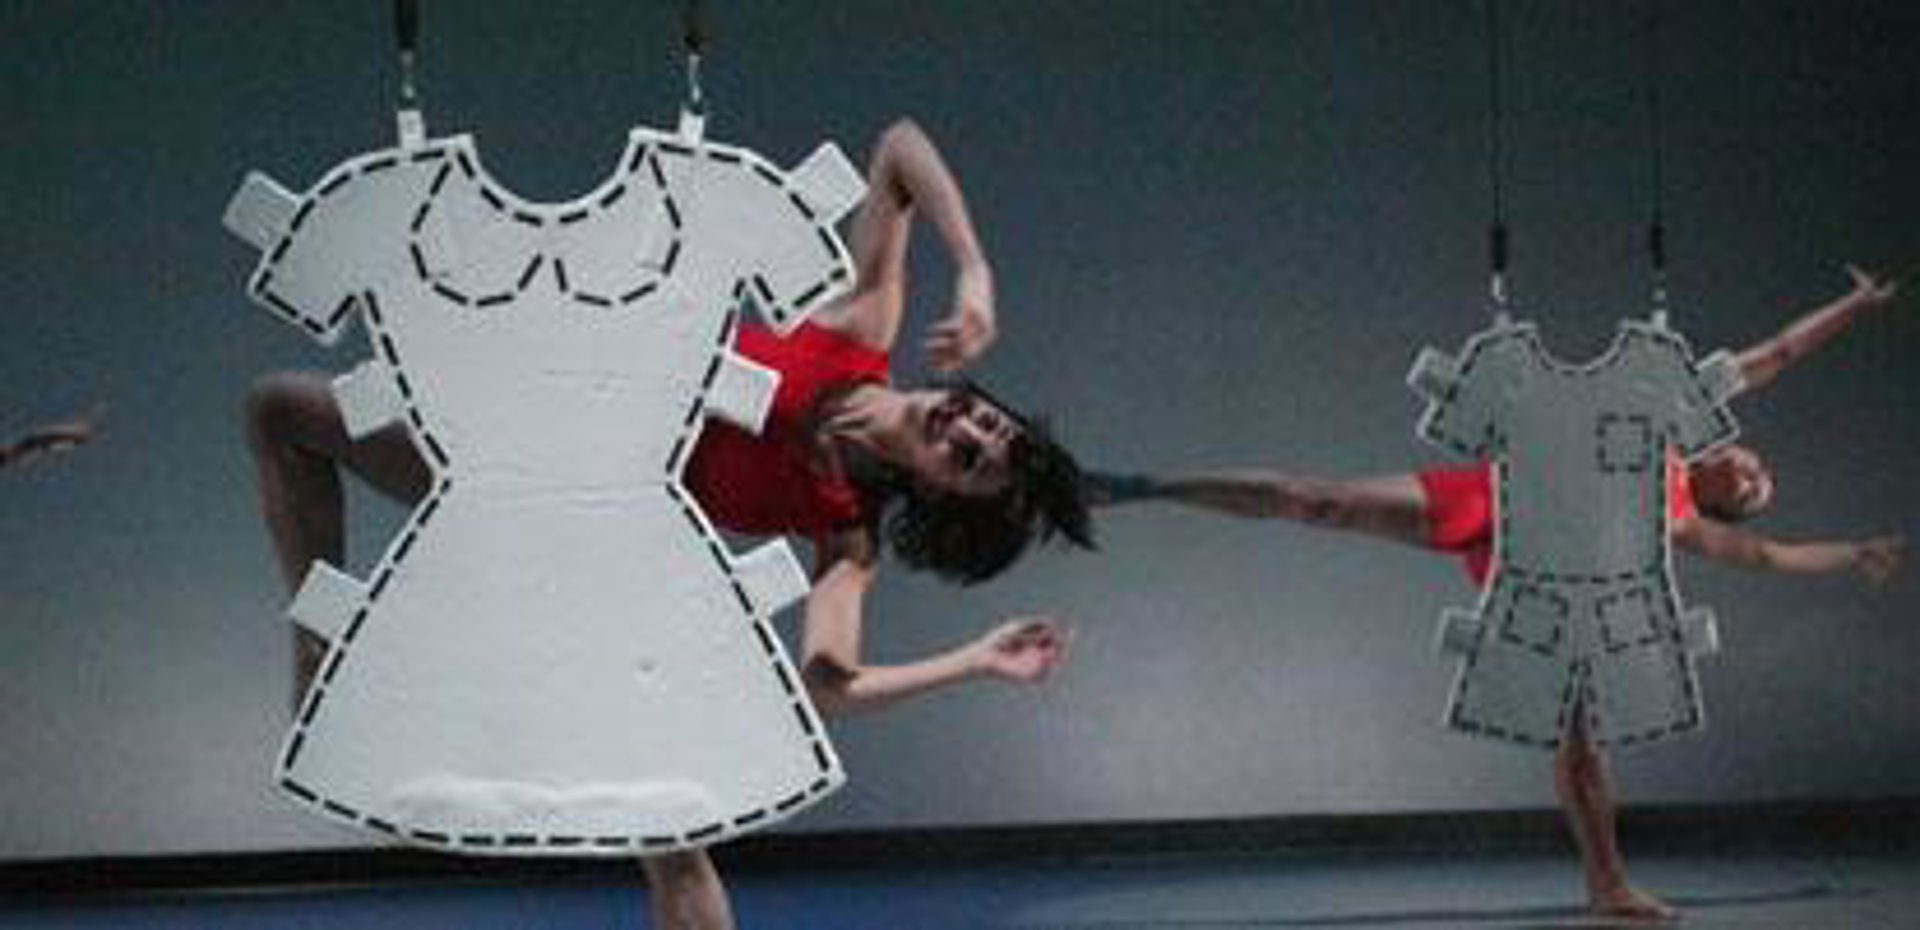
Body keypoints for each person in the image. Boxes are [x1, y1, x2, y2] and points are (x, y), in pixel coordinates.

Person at [243, 118, 1093, 930]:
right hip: (517, 443)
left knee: (671, 839)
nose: (966, 430)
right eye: (989, 422)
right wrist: (974, 269)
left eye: (970, 460)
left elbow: (828, 686)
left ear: (940, 493)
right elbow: (901, 147)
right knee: (279, 408)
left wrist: (972, 661)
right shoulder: (862, 324)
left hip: (592, 547)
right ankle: (318, 651)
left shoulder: (845, 533)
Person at [1091, 265, 1906, 923]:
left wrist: (1852, 554)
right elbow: (1776, 355)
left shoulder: (1683, 519)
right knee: (1318, 500)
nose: (1757, 479)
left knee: (1581, 735)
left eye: (1756, 494)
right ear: (1733, 450)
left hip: (1537, 576)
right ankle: (1139, 487)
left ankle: (1608, 886)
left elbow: (1770, 556)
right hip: (1488, 502)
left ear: (1730, 504)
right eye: (1760, 472)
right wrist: (1855, 307)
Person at [1, 405, 103, 472]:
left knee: (44, 440)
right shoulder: (22, 451)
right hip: (34, 445)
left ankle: (81, 434)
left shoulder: (25, 448)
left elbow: (46, 444)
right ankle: (81, 434)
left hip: (35, 444)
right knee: (44, 440)